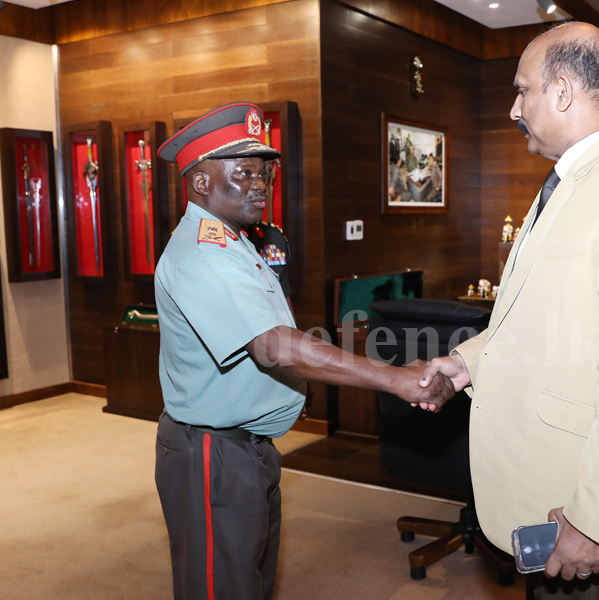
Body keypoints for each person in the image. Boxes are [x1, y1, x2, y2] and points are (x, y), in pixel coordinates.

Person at [420, 22, 599, 599]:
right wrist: (471, 362)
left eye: (523, 90)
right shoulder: (570, 179)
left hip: (578, 501)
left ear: (564, 91)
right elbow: (542, 318)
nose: (513, 108)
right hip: (543, 484)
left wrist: (595, 521)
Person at [153, 102, 452, 600]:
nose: (259, 185)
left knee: (251, 581)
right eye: (244, 172)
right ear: (200, 182)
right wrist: (395, 377)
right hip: (212, 453)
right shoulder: (203, 254)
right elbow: (275, 346)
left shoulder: (236, 241)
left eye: (264, 174)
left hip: (246, 450)